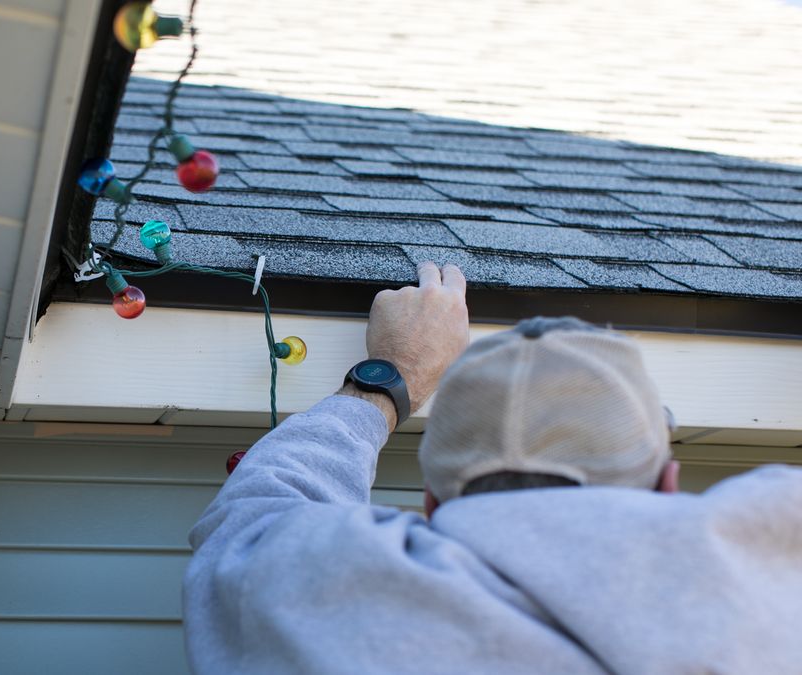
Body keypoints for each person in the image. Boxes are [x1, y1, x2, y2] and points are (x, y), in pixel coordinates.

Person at [183, 261, 802, 674]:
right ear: (669, 485)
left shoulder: (326, 590)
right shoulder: (771, 570)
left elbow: (255, 510)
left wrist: (390, 377)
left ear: (431, 505)